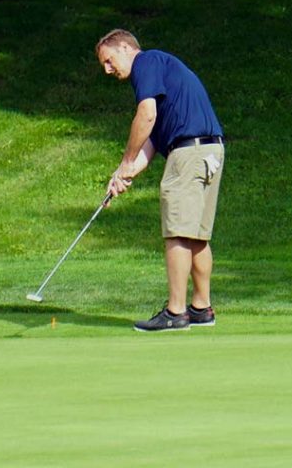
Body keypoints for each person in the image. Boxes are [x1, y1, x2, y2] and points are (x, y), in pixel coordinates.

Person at [95, 29, 225, 331]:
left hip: (188, 153)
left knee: (178, 232)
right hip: (210, 149)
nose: (107, 70)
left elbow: (146, 115)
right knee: (196, 235)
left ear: (126, 48)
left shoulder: (146, 62)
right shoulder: (160, 71)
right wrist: (123, 173)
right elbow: (151, 143)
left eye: (109, 60)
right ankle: (201, 308)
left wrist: (126, 161)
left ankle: (176, 312)